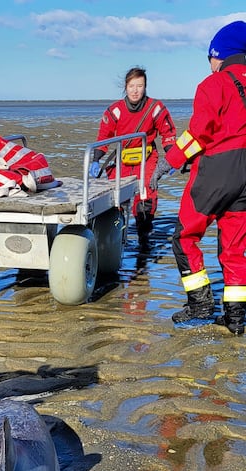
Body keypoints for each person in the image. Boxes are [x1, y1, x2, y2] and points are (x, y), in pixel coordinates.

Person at [150, 20, 246, 334]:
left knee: (185, 235)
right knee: (234, 247)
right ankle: (235, 318)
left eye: (210, 58)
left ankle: (200, 303)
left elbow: (198, 134)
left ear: (220, 55)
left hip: (217, 169)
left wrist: (170, 161)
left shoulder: (212, 84)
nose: (210, 64)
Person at [89, 67, 177, 248]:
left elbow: (167, 133)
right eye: (132, 86)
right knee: (115, 200)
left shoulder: (155, 108)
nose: (135, 90)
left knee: (146, 195)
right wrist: (96, 160)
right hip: (122, 160)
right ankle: (116, 236)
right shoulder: (115, 111)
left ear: (145, 87)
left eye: (140, 86)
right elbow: (103, 137)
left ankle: (144, 235)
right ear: (125, 87)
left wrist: (172, 158)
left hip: (147, 158)